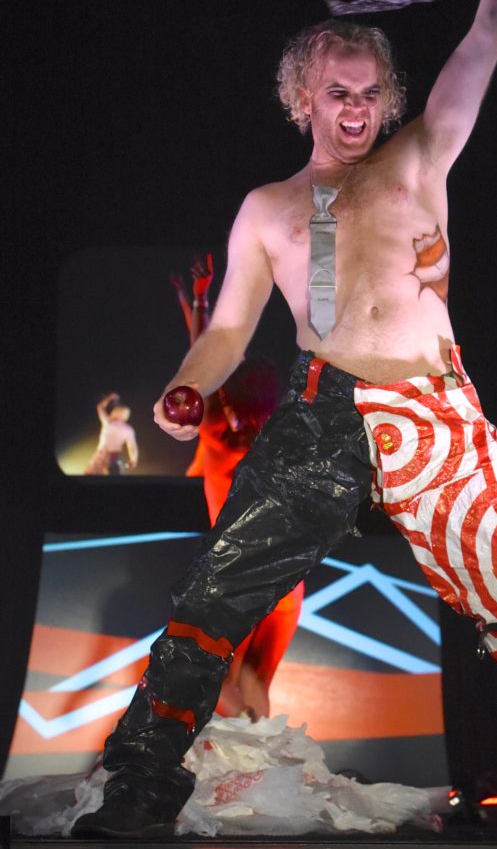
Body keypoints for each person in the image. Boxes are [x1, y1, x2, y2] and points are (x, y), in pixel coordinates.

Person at [74, 0, 497, 839]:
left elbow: (486, 39)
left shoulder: (420, 159)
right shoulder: (273, 208)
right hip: (321, 416)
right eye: (338, 93)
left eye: (371, 93)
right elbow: (228, 330)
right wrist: (188, 387)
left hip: (435, 410)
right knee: (214, 598)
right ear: (302, 99)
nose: (355, 109)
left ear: (392, 102)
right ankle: (136, 790)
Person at [170, 254, 304, 719]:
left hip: (237, 575)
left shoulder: (213, 426)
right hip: (286, 580)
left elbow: (205, 353)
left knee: (222, 681)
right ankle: (257, 771)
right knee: (255, 683)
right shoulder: (282, 438)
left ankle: (229, 772)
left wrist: (203, 299)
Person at [84, 393, 138, 475]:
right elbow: (132, 447)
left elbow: (100, 407)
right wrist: (133, 459)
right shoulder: (128, 429)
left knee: (90, 476)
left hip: (102, 455)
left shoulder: (108, 422)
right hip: (114, 456)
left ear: (114, 413)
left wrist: (110, 398)